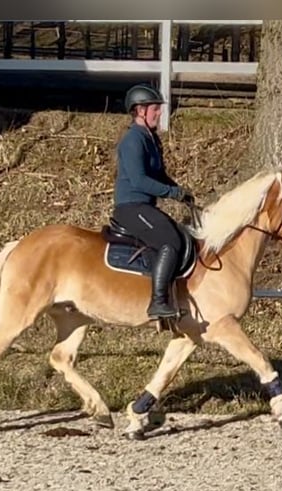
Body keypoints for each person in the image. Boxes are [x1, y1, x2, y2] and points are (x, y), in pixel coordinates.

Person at [112, 83, 194, 320]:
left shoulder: (150, 139)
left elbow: (158, 176)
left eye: (158, 108)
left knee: (178, 234)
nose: (159, 113)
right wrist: (172, 193)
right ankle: (158, 302)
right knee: (169, 241)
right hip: (130, 207)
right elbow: (139, 181)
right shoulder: (132, 140)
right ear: (140, 111)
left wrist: (180, 191)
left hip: (145, 207)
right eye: (155, 109)